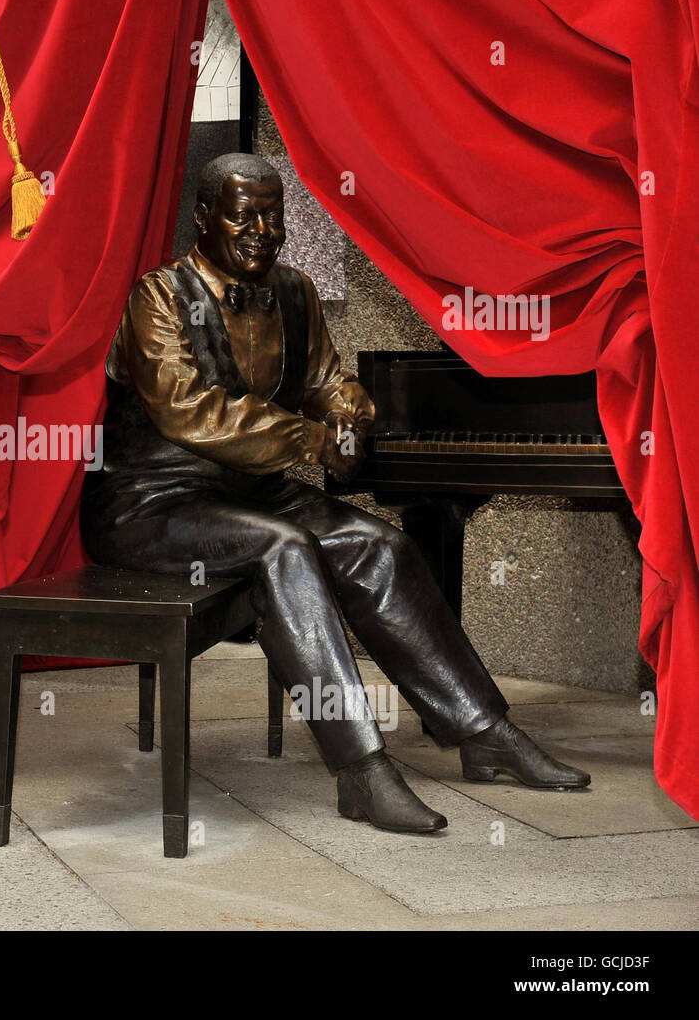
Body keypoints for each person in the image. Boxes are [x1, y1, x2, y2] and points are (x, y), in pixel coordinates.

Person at [81, 153, 590, 834]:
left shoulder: (294, 291)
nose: (262, 230)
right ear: (203, 218)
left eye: (274, 215)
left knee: (379, 544)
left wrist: (349, 412)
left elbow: (325, 379)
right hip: (152, 502)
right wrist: (313, 442)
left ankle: (483, 730)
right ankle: (362, 771)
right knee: (285, 549)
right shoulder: (160, 297)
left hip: (250, 492)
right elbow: (189, 411)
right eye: (244, 214)